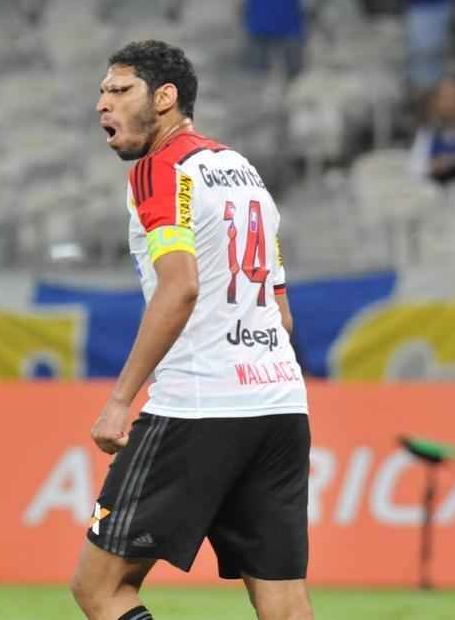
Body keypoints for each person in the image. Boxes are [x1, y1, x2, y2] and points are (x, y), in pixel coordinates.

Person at [71, 40, 311, 620]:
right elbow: (281, 314)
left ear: (165, 97)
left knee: (98, 587)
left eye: (120, 90)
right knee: (281, 595)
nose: (104, 104)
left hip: (200, 406)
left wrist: (120, 400)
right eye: (102, 92)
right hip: (279, 404)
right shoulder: (244, 172)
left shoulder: (161, 169)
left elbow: (179, 288)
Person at [411, 75, 455, 184]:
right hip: (434, 190)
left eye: (452, 97)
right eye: (443, 97)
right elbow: (415, 168)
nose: (448, 103)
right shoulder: (428, 131)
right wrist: (432, 166)